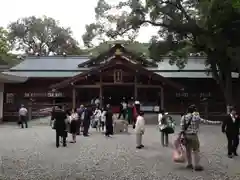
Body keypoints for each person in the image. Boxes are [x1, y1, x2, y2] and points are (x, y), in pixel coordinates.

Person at [179, 105, 203, 171]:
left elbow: (181, 128)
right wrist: (216, 122)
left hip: (186, 136)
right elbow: (204, 121)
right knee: (196, 150)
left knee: (188, 151)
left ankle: (189, 164)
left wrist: (179, 137)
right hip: (194, 136)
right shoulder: (196, 117)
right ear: (194, 111)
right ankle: (197, 165)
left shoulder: (183, 117)